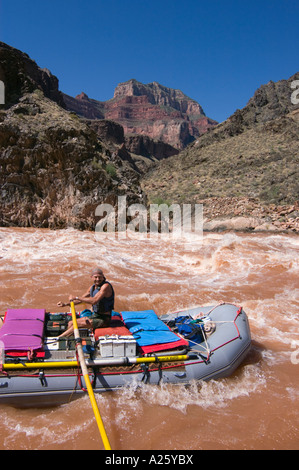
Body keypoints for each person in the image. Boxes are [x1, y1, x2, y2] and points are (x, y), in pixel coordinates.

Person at [57, 268, 115, 338]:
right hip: (96, 316)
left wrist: (76, 297)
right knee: (70, 323)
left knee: (77, 325)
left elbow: (94, 301)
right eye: (95, 277)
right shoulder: (92, 288)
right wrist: (65, 304)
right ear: (91, 277)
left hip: (104, 319)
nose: (97, 279)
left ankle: (59, 338)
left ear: (103, 277)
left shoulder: (106, 287)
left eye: (100, 277)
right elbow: (81, 300)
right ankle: (70, 340)